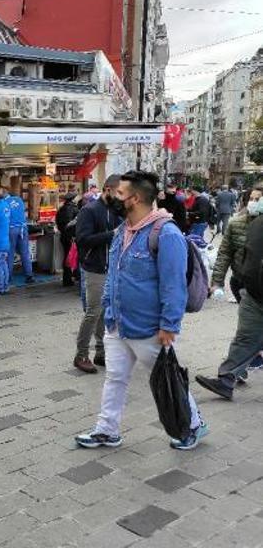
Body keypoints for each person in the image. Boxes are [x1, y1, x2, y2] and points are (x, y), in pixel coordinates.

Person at [75, 170, 208, 451]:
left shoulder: (166, 233)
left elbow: (174, 286)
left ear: (134, 199)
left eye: (118, 193)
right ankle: (107, 430)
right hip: (117, 324)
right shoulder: (123, 230)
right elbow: (114, 273)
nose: (111, 196)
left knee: (167, 379)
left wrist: (169, 325)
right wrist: (109, 309)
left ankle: (192, 425)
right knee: (115, 378)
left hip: (149, 328)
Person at [196, 197, 263, 400]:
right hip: (253, 293)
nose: (255, 202)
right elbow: (232, 253)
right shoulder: (254, 224)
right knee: (246, 337)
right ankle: (227, 379)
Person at [73, 175, 122, 374]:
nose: (121, 196)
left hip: (110, 267)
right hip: (94, 267)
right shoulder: (90, 210)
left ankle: (100, 352)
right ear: (108, 189)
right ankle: (81, 355)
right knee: (93, 312)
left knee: (104, 310)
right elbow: (82, 239)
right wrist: (112, 234)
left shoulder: (113, 209)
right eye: (119, 192)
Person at [210, 187, 262, 305]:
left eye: (257, 199)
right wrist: (217, 282)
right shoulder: (236, 224)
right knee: (249, 320)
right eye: (251, 199)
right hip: (241, 282)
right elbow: (225, 254)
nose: (253, 202)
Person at [56, 193, 79, 287]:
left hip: (64, 236)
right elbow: (71, 224)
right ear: (72, 199)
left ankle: (68, 278)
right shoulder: (72, 208)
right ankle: (68, 278)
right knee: (71, 257)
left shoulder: (61, 209)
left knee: (67, 256)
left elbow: (58, 222)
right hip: (70, 237)